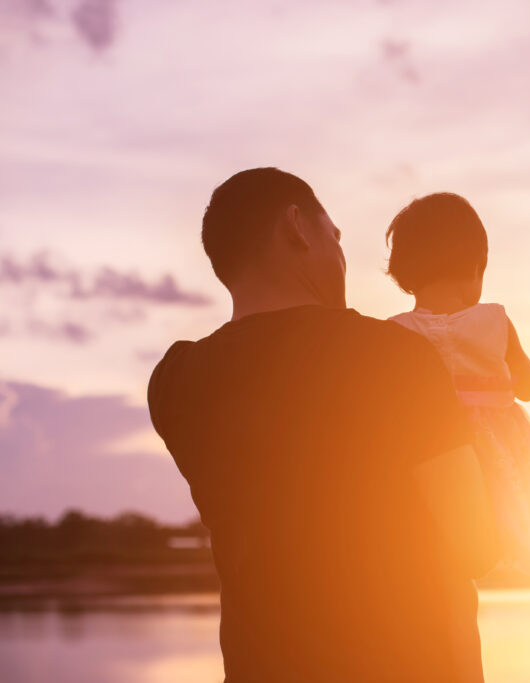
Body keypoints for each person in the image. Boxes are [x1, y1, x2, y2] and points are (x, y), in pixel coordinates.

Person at [147, 168, 498, 682]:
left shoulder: (176, 382)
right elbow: (476, 545)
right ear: (296, 227)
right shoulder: (395, 357)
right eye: (335, 237)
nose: (341, 257)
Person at [385, 193, 530, 594]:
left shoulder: (394, 332)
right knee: (512, 512)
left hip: (431, 453)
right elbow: (528, 386)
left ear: (404, 272)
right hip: (495, 449)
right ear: (475, 267)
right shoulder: (495, 320)